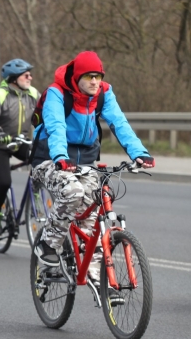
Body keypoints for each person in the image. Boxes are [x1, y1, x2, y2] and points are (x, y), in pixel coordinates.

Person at [31, 51, 154, 288]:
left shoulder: (104, 93)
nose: (95, 81)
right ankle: (48, 244)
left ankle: (99, 280)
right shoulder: (57, 93)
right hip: (49, 159)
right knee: (73, 192)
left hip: (85, 161)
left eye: (98, 76)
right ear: (77, 78)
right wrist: (60, 157)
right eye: (89, 77)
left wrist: (139, 153)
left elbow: (119, 123)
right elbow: (56, 127)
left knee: (96, 202)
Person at [0, 59, 39, 235]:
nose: (30, 78)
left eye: (30, 75)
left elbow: (46, 114)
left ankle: (36, 193)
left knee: (40, 160)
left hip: (20, 142)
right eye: (26, 75)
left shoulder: (33, 94)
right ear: (14, 78)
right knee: (5, 182)